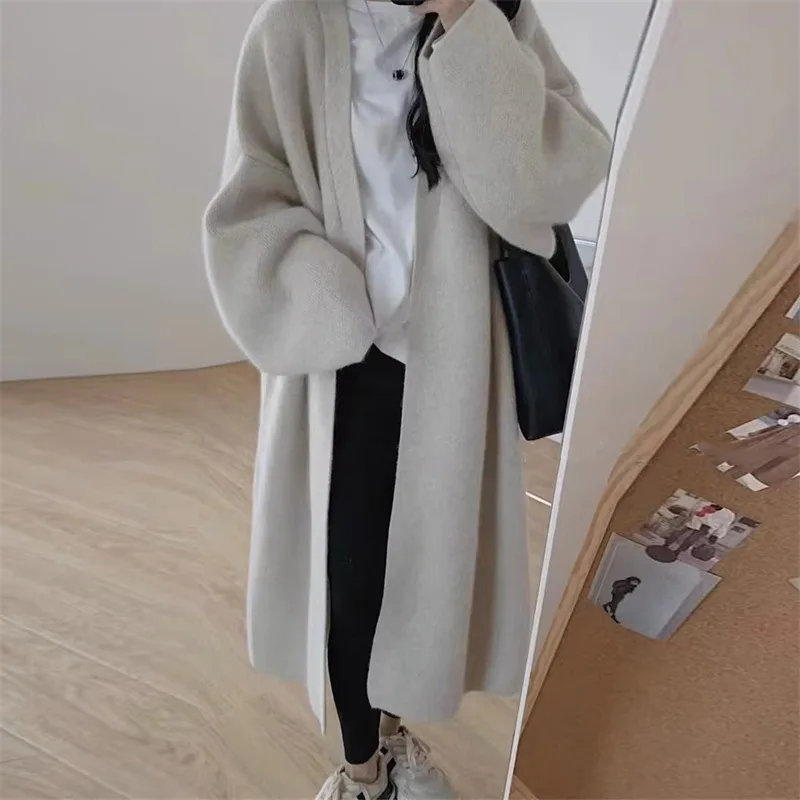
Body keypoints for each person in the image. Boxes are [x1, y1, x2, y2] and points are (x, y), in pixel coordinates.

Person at [203, 0, 610, 797]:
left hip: (456, 361)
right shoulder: (293, 24)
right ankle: (362, 771)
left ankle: (395, 737)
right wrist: (327, 302)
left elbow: (541, 187)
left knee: (422, 575)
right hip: (342, 358)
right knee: (349, 577)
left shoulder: (495, 19)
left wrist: (467, 28)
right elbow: (251, 197)